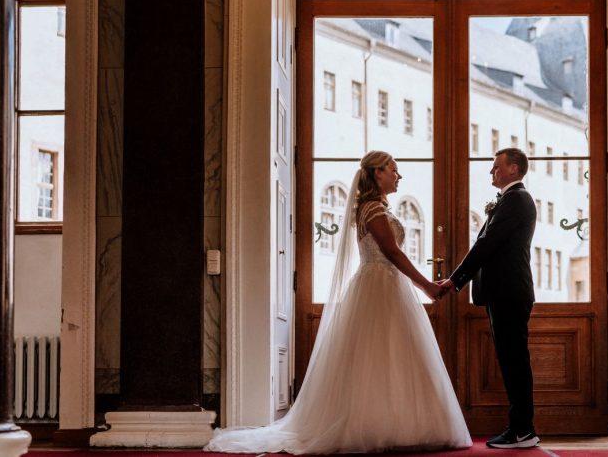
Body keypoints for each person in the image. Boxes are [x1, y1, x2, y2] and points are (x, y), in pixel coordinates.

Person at [205, 151, 471, 454]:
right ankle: (377, 425)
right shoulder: (372, 209)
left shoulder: (375, 207)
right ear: (377, 173)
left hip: (386, 285)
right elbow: (393, 253)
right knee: (378, 354)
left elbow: (393, 255)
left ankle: (394, 424)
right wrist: (425, 286)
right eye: (394, 170)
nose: (399, 176)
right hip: (379, 287)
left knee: (391, 354)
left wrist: (420, 286)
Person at [438, 148, 538, 449]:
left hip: (509, 291)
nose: (491, 172)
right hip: (504, 291)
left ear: (513, 169)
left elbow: (487, 244)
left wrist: (455, 280)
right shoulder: (510, 200)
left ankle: (522, 431)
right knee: (511, 361)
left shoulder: (517, 199)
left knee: (514, 361)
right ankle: (522, 428)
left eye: (496, 167)